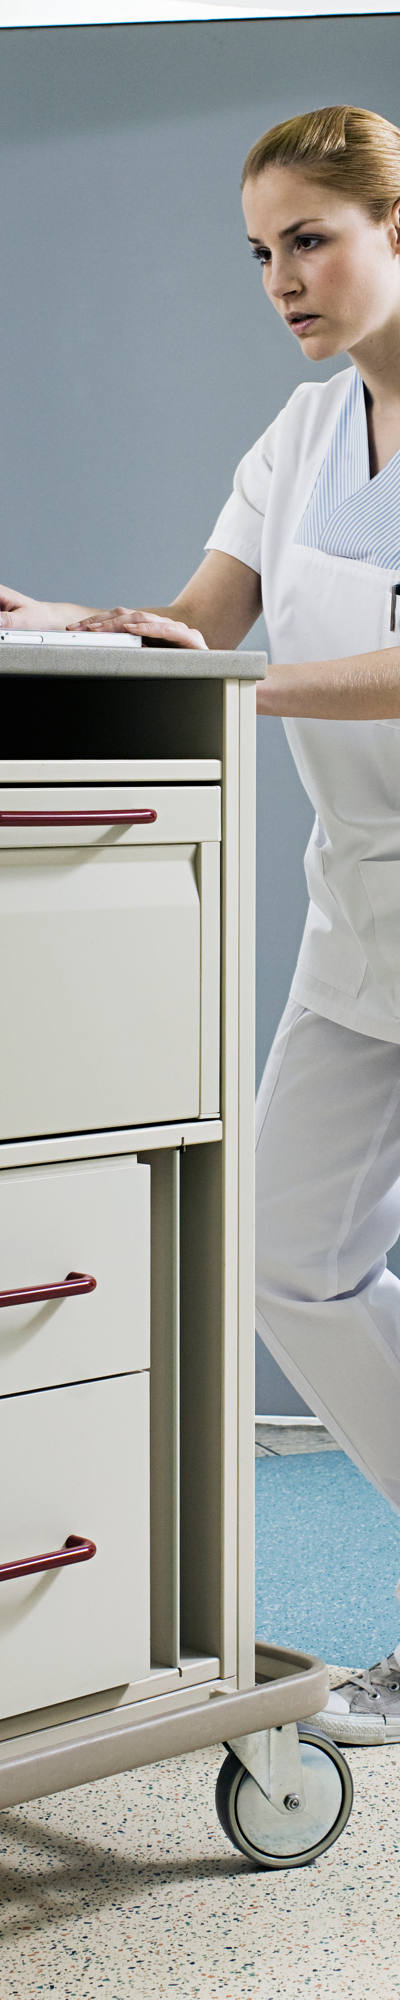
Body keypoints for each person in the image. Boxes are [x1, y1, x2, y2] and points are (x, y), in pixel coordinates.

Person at [2, 101, 400, 1749]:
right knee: (289, 1262)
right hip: (364, 919)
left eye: (313, 237)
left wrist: (229, 684)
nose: (282, 279)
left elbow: (257, 677)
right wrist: (72, 624)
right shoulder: (299, 439)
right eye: (261, 250)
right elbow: (197, 628)